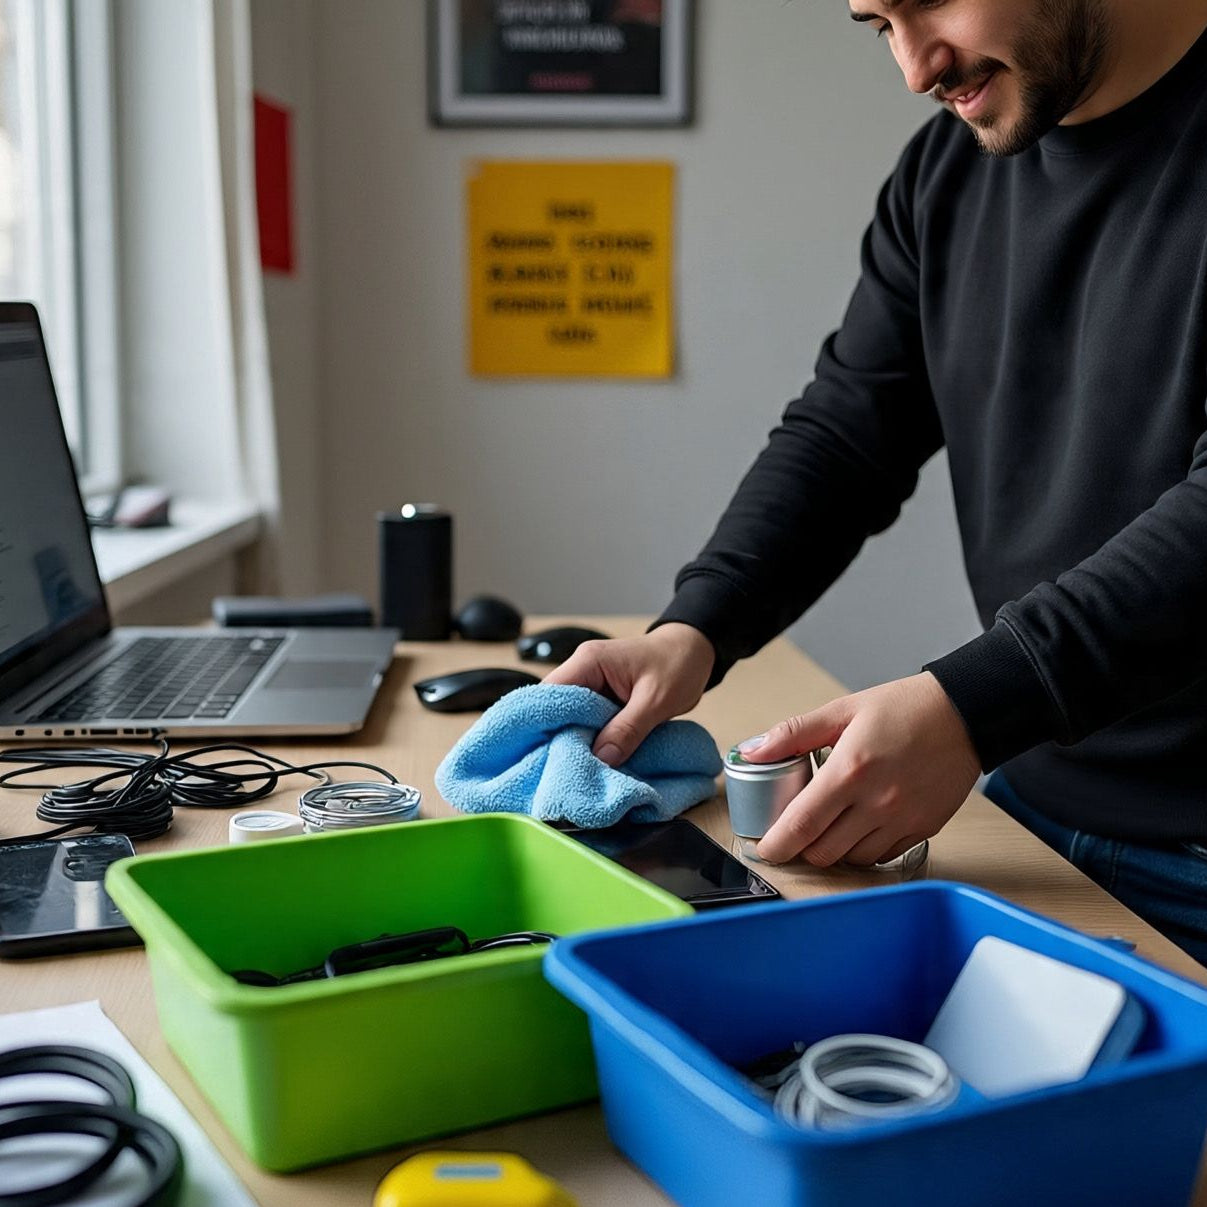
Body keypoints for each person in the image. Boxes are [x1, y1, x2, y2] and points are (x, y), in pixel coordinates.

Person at [546, 0, 1207, 965]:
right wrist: (698, 625)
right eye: (876, 23)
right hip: (1028, 804)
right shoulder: (943, 175)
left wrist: (968, 708)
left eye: (930, 0)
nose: (914, 67)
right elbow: (849, 433)